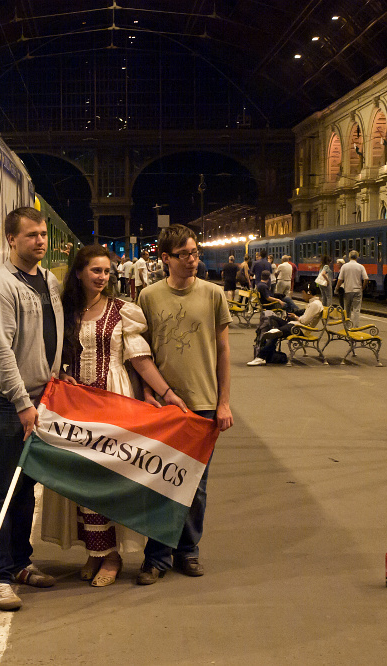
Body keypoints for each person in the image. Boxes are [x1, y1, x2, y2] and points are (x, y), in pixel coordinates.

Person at [41, 245, 188, 587]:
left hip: (112, 400)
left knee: (104, 481)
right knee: (79, 481)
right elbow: (55, 356)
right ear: (79, 273)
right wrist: (61, 375)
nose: (103, 277)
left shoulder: (124, 311)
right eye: (96, 270)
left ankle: (111, 556)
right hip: (76, 406)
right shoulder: (66, 312)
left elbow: (139, 359)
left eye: (107, 271)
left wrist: (166, 394)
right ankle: (95, 552)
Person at [0, 206, 64, 611]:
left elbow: (52, 336)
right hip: (5, 402)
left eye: (43, 234)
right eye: (31, 235)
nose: (40, 241)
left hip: (39, 396)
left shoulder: (49, 281)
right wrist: (24, 403)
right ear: (11, 239)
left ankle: (20, 563)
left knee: (26, 484)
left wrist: (54, 383)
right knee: (1, 487)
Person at [136, 224, 233, 584]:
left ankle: (187, 551)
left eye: (195, 253)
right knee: (159, 480)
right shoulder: (148, 297)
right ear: (165, 258)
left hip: (204, 403)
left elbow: (223, 351)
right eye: (184, 255)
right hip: (163, 407)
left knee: (196, 485)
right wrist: (147, 392)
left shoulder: (213, 295)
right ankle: (156, 556)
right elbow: (140, 352)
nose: (193, 260)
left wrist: (224, 402)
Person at [247, 295, 325, 366]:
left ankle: (262, 356)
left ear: (309, 293)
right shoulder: (314, 303)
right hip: (296, 325)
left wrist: (295, 316)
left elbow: (305, 321)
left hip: (301, 329)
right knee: (272, 319)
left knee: (275, 333)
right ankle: (271, 344)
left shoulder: (315, 304)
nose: (303, 296)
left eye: (303, 293)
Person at [335, 250, 369, 326]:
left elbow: (340, 280)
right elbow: (366, 279)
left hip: (348, 290)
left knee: (347, 309)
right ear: (357, 257)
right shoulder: (360, 266)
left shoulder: (344, 266)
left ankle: (347, 327)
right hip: (358, 290)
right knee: (356, 310)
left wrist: (336, 288)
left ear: (349, 257)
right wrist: (362, 287)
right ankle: (356, 327)